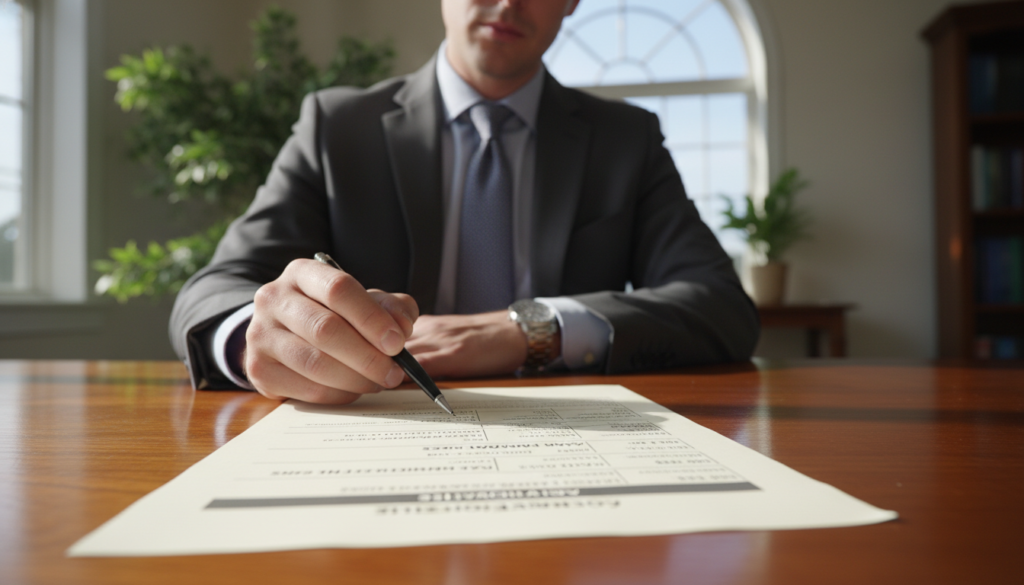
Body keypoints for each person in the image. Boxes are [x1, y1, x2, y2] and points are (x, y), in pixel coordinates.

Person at [169, 0, 760, 404]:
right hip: (377, 426)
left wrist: (529, 331)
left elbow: (719, 307)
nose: (508, 1)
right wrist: (264, 334)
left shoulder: (624, 140)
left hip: (571, 433)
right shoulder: (336, 127)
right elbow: (214, 290)